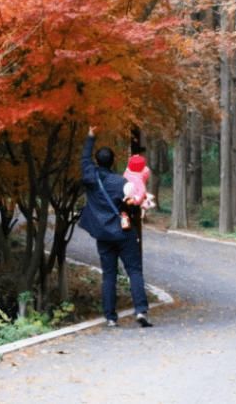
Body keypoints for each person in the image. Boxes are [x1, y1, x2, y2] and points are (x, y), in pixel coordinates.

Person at [78, 127, 152, 328]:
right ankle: (140, 311)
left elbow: (84, 161)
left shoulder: (91, 179)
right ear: (112, 162)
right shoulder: (121, 182)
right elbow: (132, 203)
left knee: (109, 274)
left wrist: (91, 136)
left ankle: (110, 317)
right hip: (124, 232)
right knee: (134, 271)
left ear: (97, 161)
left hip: (103, 234)